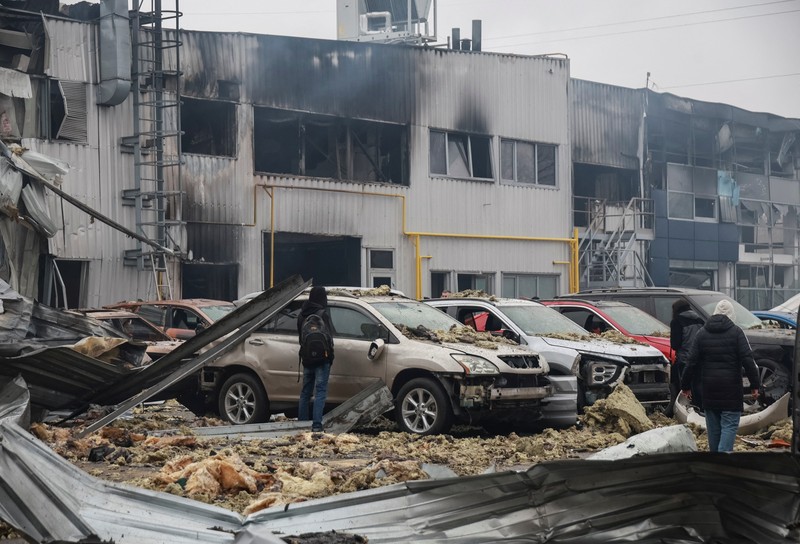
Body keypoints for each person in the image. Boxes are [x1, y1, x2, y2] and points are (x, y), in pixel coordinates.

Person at [681, 299, 760, 452]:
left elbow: (690, 362)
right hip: (731, 390)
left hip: (709, 389)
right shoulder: (737, 333)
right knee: (729, 425)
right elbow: (748, 360)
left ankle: (715, 464)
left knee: (714, 429)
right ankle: (724, 461)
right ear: (732, 315)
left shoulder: (702, 333)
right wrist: (755, 385)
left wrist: (685, 386)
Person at [297, 286, 334, 433]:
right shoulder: (322, 313)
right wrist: (330, 356)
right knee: (320, 392)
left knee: (306, 392)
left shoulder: (301, 315)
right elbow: (329, 337)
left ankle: (301, 425)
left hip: (307, 359)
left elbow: (300, 337)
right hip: (322, 360)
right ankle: (317, 425)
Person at [670, 299, 705, 408]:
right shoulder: (700, 320)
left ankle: (686, 409)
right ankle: (701, 408)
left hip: (685, 359)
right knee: (699, 386)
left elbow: (675, 344)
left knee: (684, 387)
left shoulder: (677, 321)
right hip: (701, 359)